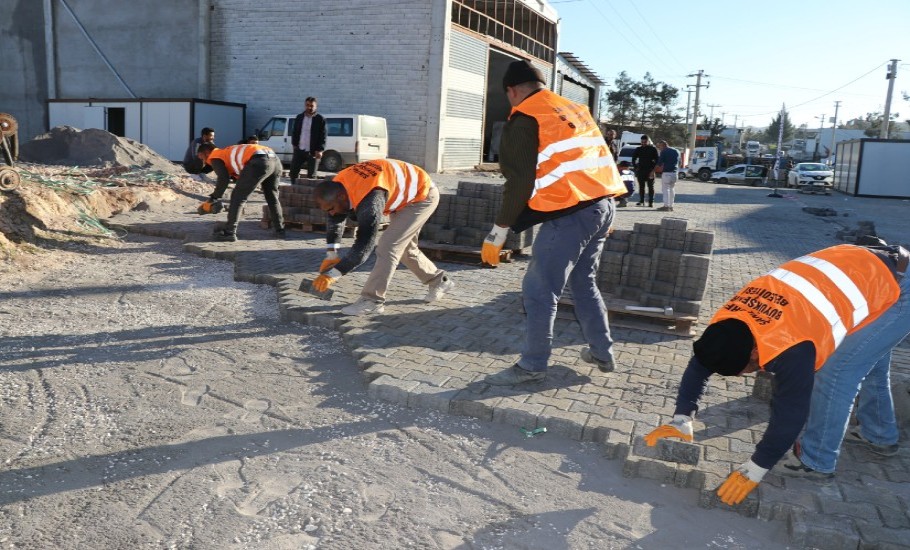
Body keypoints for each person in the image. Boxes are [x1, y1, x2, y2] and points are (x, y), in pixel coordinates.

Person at [644, 241, 908, 506]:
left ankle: (816, 462)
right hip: (866, 273)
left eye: (744, 371)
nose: (745, 376)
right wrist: (682, 417)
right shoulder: (727, 323)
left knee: (837, 373)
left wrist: (757, 467)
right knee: (868, 361)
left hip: (898, 287)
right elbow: (700, 363)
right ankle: (879, 435)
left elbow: (790, 414)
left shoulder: (794, 348)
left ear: (755, 354)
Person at [479, 60, 627, 386]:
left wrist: (498, 231)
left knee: (538, 290)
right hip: (602, 205)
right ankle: (602, 351)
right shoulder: (575, 109)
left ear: (512, 90)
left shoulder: (526, 118)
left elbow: (518, 182)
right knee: (583, 283)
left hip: (569, 215)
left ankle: (532, 365)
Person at [311, 159, 455, 316]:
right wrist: (332, 253)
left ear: (341, 197)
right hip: (400, 195)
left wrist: (334, 274)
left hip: (421, 197)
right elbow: (335, 217)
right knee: (405, 249)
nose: (330, 213)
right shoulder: (338, 185)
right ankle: (439, 282)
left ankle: (373, 301)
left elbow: (364, 246)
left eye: (331, 209)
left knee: (388, 246)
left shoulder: (370, 200)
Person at [197, 142, 285, 242]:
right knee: (272, 197)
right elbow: (239, 177)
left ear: (206, 152)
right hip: (275, 160)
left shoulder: (215, 156)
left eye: (201, 158)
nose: (204, 162)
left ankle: (229, 232)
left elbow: (223, 179)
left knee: (237, 197)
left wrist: (214, 197)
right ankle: (280, 230)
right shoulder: (227, 154)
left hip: (259, 161)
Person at [290, 97, 327, 183]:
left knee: (312, 175)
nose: (309, 107)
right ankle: (294, 188)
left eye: (312, 106)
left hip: (313, 151)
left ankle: (311, 194)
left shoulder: (320, 119)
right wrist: (294, 145)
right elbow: (295, 132)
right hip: (300, 149)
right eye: (307, 105)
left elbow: (323, 136)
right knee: (293, 172)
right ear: (305, 105)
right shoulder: (299, 117)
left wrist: (320, 150)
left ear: (316, 107)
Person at [631, 135, 658, 207]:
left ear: (648, 141)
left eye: (645, 142)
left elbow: (657, 160)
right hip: (641, 170)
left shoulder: (653, 149)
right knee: (641, 186)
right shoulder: (638, 149)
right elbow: (633, 159)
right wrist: (636, 167)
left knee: (650, 187)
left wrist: (653, 170)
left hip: (650, 170)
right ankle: (641, 200)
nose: (643, 143)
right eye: (642, 142)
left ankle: (651, 202)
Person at [656, 140, 680, 212]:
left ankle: (666, 206)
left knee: (665, 190)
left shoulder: (664, 151)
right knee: (672, 189)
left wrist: (653, 171)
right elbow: (679, 162)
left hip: (667, 173)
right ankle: (671, 206)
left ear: (663, 145)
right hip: (675, 173)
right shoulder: (676, 151)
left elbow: (659, 163)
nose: (659, 148)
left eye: (659, 147)